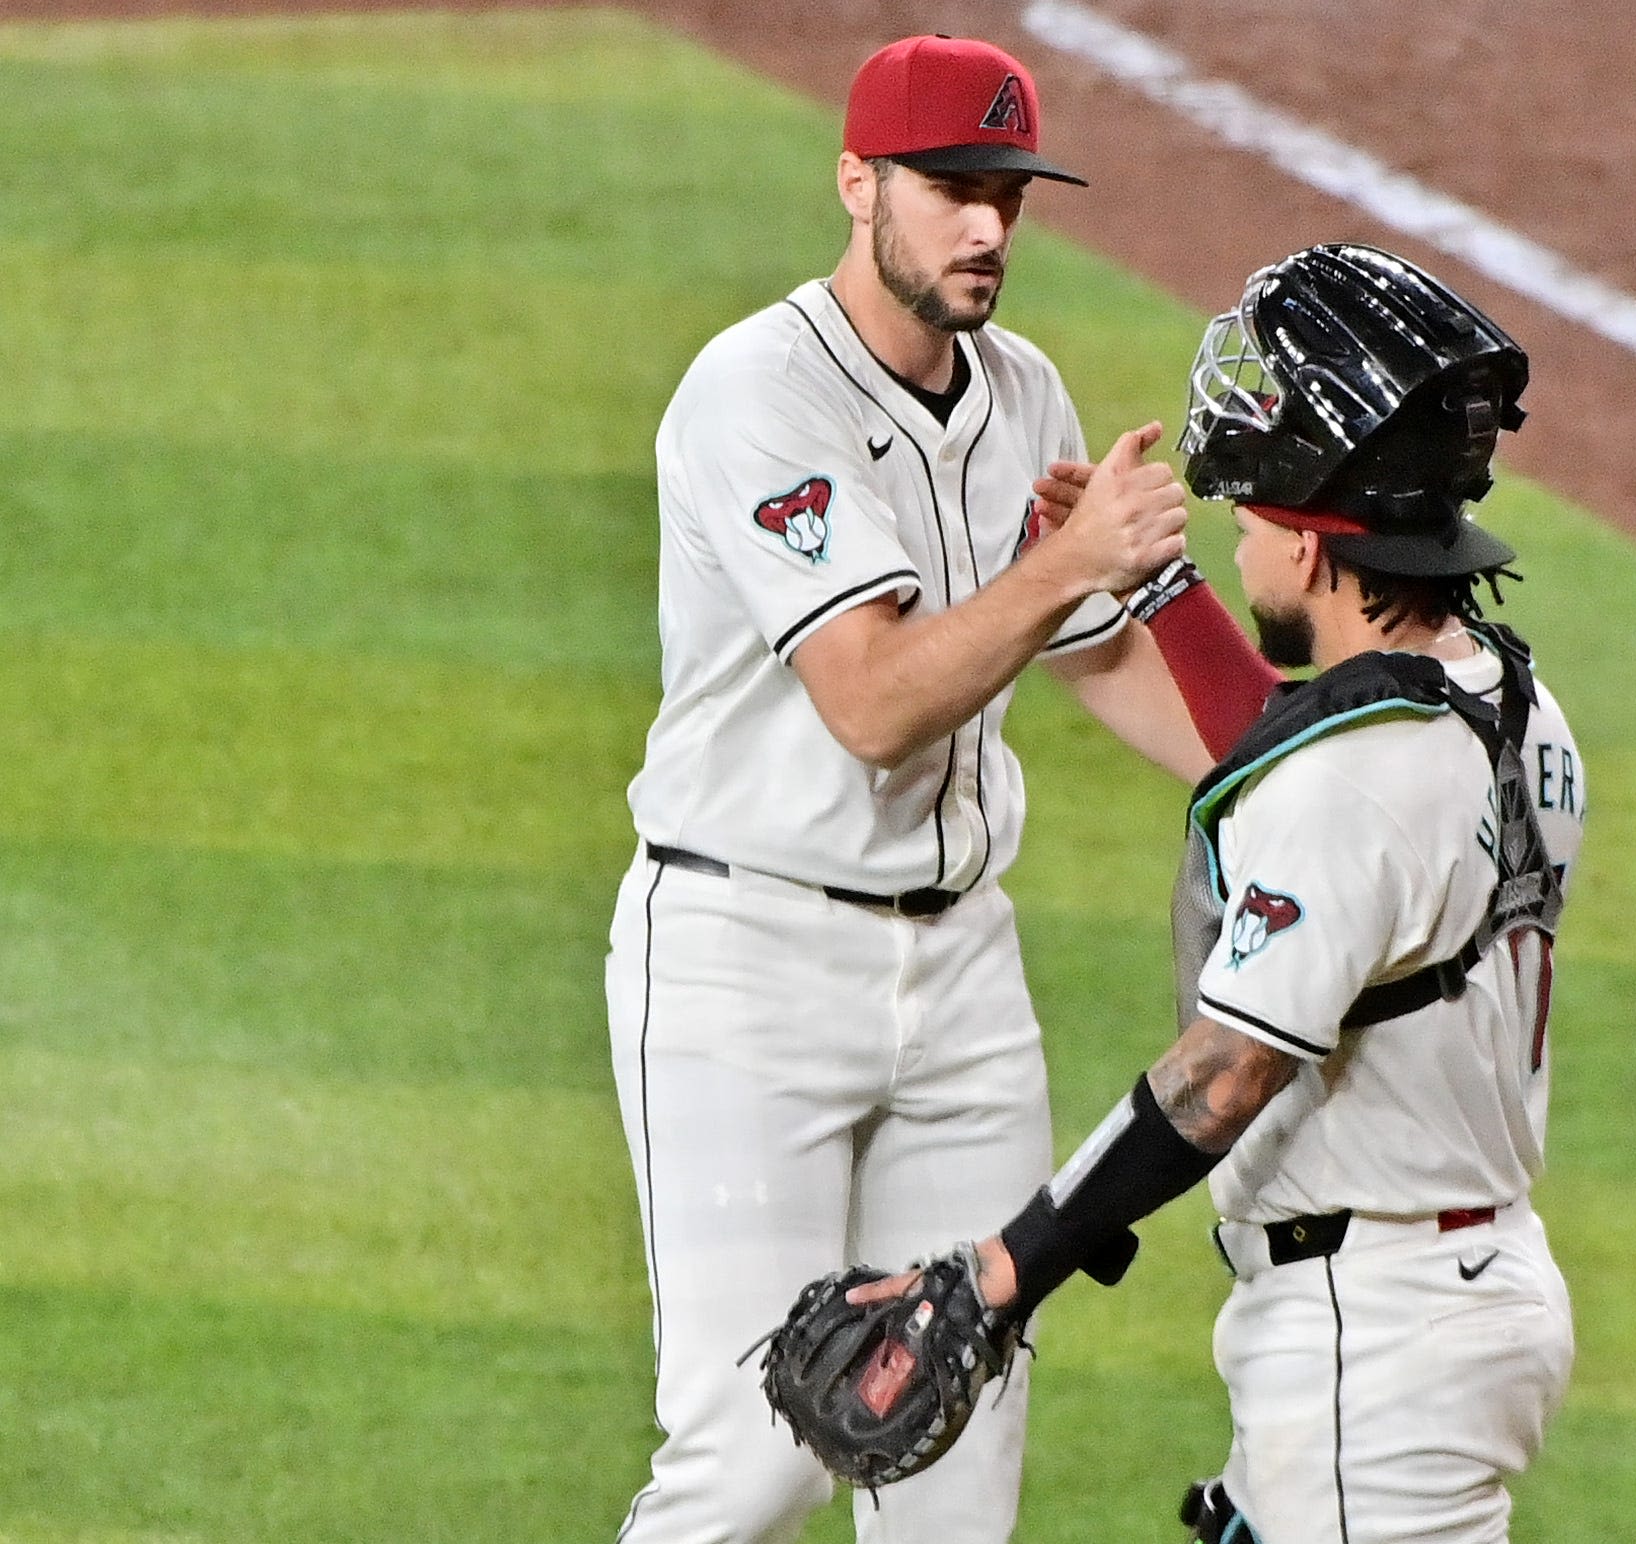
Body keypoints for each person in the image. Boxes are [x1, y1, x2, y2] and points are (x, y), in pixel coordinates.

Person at [870, 243, 1588, 1544]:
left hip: (1374, 1331)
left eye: (1248, 519)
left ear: (1313, 548)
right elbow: (1295, 749)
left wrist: (1004, 1271)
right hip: (1447, 1292)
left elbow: (1224, 1075)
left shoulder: (1355, 788)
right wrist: (1153, 591)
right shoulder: (1503, 700)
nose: (1235, 533)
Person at [602, 33, 1213, 1544]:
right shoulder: (755, 391)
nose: (989, 227)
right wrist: (1072, 556)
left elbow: (1094, 654)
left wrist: (1289, 769)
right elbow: (872, 702)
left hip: (959, 980)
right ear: (857, 181)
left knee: (947, 1451)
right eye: (951, 188)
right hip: (749, 965)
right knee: (753, 1458)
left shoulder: (1022, 392)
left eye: (1008, 190)